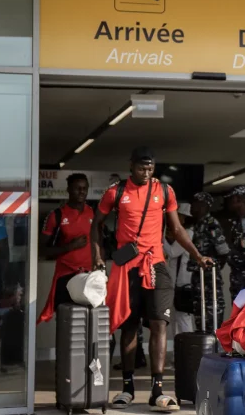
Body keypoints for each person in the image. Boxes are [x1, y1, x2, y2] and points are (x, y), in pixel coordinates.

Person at [90, 146, 213, 412]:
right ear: (131, 166)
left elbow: (176, 228)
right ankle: (127, 389)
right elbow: (96, 224)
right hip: (127, 269)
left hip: (156, 265)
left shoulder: (164, 192)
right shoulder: (116, 192)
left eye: (150, 168)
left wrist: (197, 256)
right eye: (141, 167)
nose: (146, 172)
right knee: (129, 326)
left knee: (159, 324)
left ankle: (157, 391)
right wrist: (97, 257)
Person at [37, 173, 93, 325]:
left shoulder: (93, 213)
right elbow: (41, 250)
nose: (81, 192)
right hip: (66, 275)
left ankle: (88, 350)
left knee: (91, 320)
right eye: (77, 188)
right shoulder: (56, 215)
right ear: (68, 190)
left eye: (84, 188)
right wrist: (70, 246)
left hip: (89, 276)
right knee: (67, 321)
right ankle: (65, 349)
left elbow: (99, 243)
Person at [187, 192, 229, 332]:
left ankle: (213, 345)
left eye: (196, 204)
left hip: (209, 279)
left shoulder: (212, 224)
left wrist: (213, 270)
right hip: (198, 277)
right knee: (199, 312)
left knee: (212, 313)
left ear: (205, 206)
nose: (193, 207)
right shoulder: (198, 224)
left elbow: (223, 252)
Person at [217, 185, 245, 299]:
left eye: (231, 199)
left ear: (240, 199)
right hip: (237, 273)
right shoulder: (238, 220)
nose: (228, 202)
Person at [164, 202, 195, 337]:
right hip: (176, 283)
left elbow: (172, 252)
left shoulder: (188, 233)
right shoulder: (183, 234)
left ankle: (188, 351)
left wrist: (160, 239)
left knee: (183, 319)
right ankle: (180, 353)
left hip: (183, 283)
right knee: (176, 318)